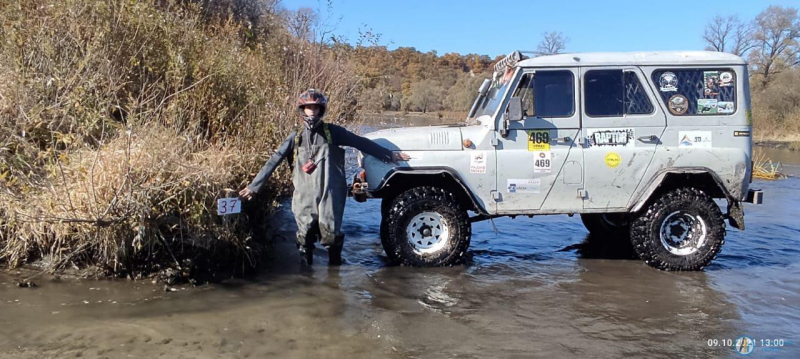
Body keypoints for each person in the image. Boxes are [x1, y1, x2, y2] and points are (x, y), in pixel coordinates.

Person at [239, 89, 409, 265]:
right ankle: (307, 275)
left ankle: (334, 271)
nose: (312, 110)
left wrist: (388, 155)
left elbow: (360, 142)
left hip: (331, 192)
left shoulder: (333, 132)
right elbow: (273, 161)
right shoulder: (295, 138)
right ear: (302, 109)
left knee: (331, 234)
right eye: (308, 107)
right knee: (305, 235)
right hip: (304, 194)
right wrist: (254, 187)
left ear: (321, 110)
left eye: (316, 107)